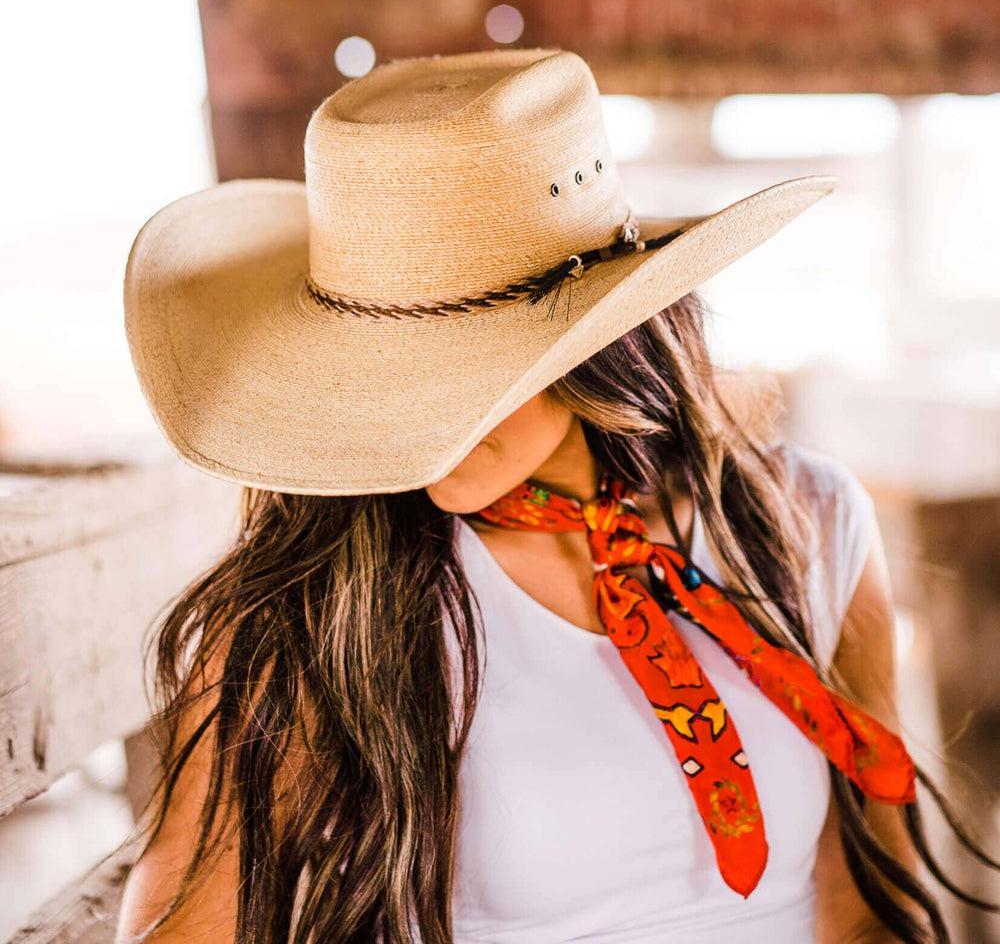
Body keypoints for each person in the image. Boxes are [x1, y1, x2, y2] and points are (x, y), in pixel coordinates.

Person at [114, 48, 997, 943]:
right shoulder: (328, 605)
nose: (426, 426)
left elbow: (867, 908)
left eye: (466, 369)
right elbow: (187, 922)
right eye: (382, 375)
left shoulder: (809, 523)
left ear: (596, 339)